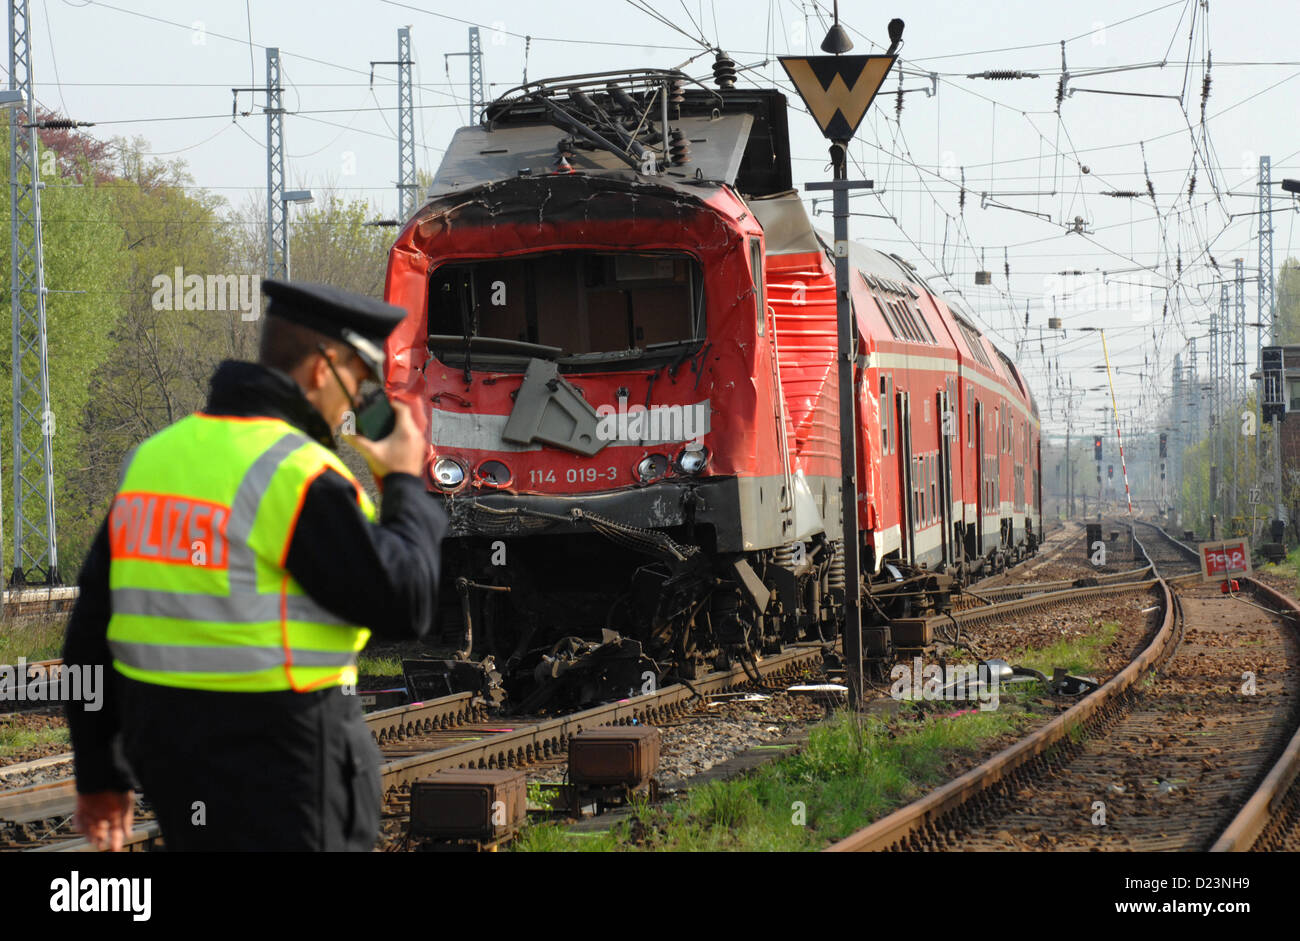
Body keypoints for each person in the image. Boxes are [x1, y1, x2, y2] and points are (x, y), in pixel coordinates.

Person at [62, 280, 447, 851]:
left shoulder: (154, 458)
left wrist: (99, 776)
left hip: (175, 768)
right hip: (289, 770)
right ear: (324, 368)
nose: (359, 404)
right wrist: (405, 486)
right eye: (361, 383)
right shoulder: (296, 475)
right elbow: (407, 602)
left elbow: (89, 638)